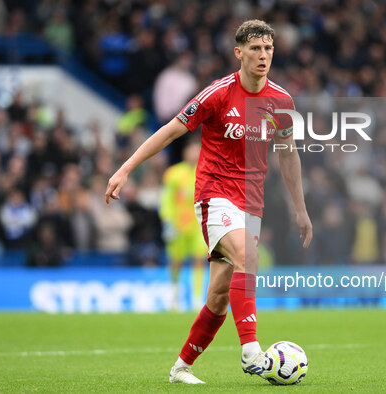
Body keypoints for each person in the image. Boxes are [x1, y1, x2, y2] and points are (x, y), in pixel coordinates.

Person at [105, 19, 312, 385]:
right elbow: (170, 130)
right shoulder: (218, 93)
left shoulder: (281, 101)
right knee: (248, 257)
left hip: (252, 202)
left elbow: (288, 153)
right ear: (239, 53)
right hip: (214, 194)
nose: (263, 56)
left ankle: (180, 368)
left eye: (268, 49)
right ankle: (251, 353)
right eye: (255, 49)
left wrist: (300, 208)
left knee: (218, 296)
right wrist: (125, 169)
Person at [159, 139, 206, 310]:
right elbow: (166, 199)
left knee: (199, 260)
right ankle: (173, 297)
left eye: (198, 150)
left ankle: (197, 299)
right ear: (185, 153)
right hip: (178, 225)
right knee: (175, 261)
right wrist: (167, 221)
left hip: (198, 226)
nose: (195, 154)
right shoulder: (173, 173)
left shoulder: (206, 172)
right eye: (193, 150)